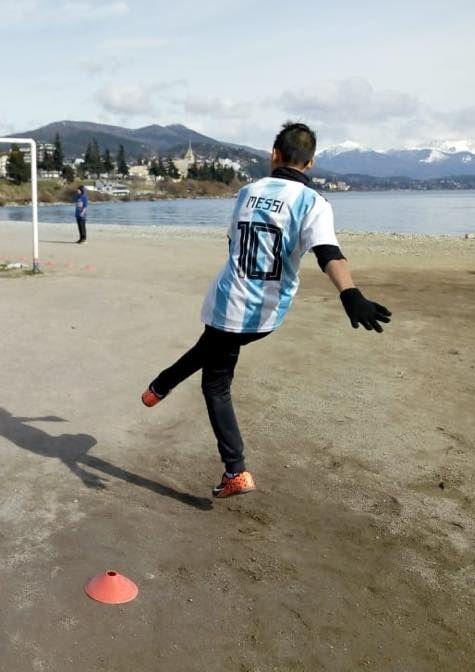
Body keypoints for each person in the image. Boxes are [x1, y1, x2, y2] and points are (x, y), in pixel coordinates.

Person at [141, 122, 392, 499]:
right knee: (215, 356)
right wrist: (350, 293)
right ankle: (162, 388)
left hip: (228, 301)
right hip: (267, 313)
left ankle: (232, 466)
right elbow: (328, 253)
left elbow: (232, 242)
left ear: (274, 154)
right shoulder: (314, 204)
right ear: (311, 162)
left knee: (215, 379)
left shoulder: (247, 192)